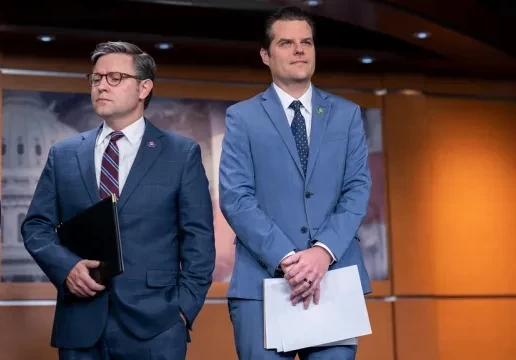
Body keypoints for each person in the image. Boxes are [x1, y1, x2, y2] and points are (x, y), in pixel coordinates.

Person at [21, 41, 215, 360]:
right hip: (80, 323)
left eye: (114, 78)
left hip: (157, 325)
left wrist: (183, 309)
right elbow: (36, 227)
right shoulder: (64, 154)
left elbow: (199, 239)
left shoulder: (181, 154)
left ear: (143, 87)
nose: (101, 86)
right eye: (96, 79)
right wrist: (66, 268)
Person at [219, 6, 372, 360]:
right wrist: (288, 259)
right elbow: (236, 197)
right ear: (265, 55)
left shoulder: (347, 114)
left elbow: (357, 190)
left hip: (333, 279)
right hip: (263, 285)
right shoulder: (242, 117)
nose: (299, 50)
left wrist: (321, 253)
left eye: (306, 42)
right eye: (286, 43)